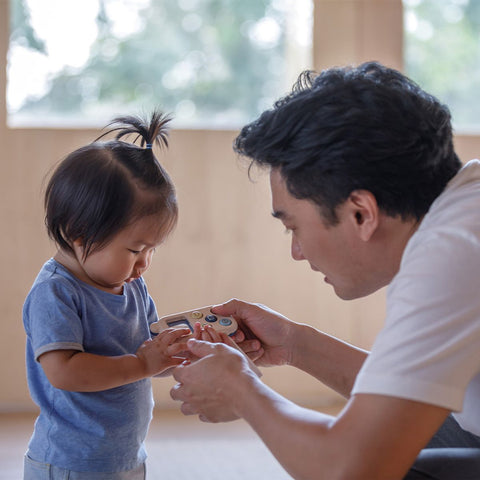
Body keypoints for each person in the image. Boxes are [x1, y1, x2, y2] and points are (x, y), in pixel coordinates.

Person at [170, 62, 480, 479]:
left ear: (360, 213)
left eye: (293, 226)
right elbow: (399, 402)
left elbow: (350, 468)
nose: (297, 252)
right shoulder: (465, 207)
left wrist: (242, 392)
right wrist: (296, 344)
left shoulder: (451, 256)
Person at [23, 111, 193, 479]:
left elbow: (145, 348)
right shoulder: (56, 292)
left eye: (152, 249)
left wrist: (174, 352)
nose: (145, 263)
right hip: (70, 463)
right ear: (80, 233)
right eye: (135, 249)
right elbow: (64, 371)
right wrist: (144, 365)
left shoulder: (131, 285)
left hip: (125, 455)